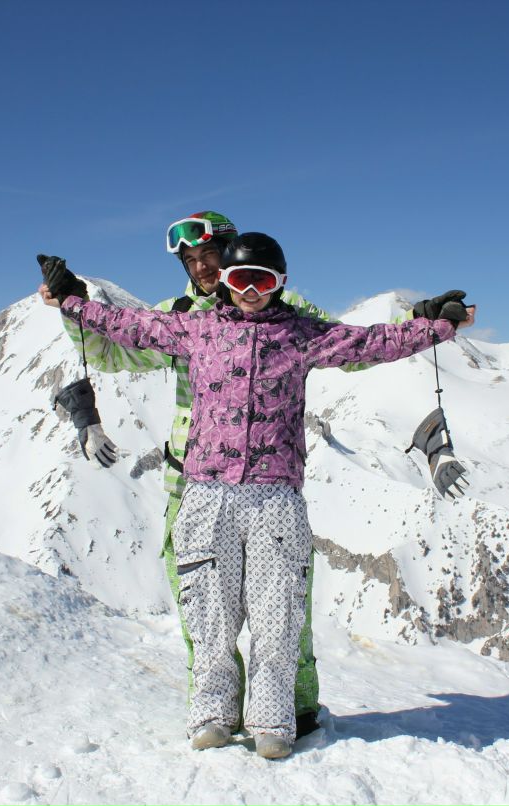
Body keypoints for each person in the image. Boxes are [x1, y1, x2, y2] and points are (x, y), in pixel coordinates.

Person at [37, 233, 470, 758]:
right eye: (241, 280)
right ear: (224, 281)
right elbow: (128, 325)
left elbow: (372, 343)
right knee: (211, 613)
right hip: (206, 491)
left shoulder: (302, 335)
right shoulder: (195, 330)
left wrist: (439, 326)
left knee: (277, 613)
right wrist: (71, 301)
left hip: (274, 495)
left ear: (280, 284)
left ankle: (272, 720)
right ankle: (214, 713)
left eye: (262, 281)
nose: (250, 292)